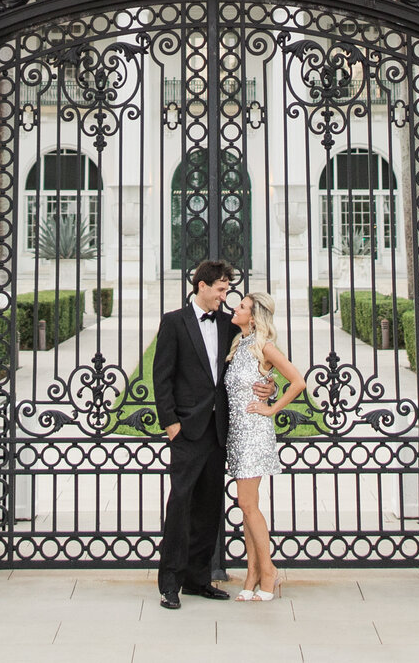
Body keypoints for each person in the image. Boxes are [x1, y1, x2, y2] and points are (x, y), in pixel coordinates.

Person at [152, 259, 238, 608]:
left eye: (226, 289)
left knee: (208, 506)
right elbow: (162, 376)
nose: (224, 295)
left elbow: (247, 364)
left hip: (218, 429)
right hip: (187, 429)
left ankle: (198, 579)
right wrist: (171, 422)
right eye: (220, 289)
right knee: (181, 505)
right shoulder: (174, 322)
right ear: (201, 286)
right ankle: (170, 583)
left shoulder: (228, 323)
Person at [224, 288, 307, 601]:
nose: (236, 308)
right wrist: (268, 389)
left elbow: (298, 382)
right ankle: (252, 573)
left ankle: (268, 572)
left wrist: (272, 407)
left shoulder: (265, 348)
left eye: (242, 306)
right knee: (247, 507)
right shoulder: (240, 344)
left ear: (254, 317)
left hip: (254, 432)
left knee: (247, 505)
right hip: (237, 433)